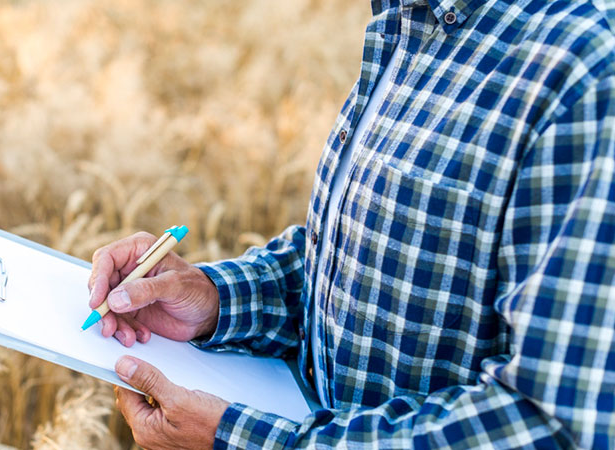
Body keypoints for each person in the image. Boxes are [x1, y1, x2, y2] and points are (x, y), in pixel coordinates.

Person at [87, 1, 615, 448]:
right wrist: (216, 299)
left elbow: (559, 424)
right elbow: (371, 259)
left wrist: (247, 439)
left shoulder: (585, 73)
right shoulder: (413, 22)